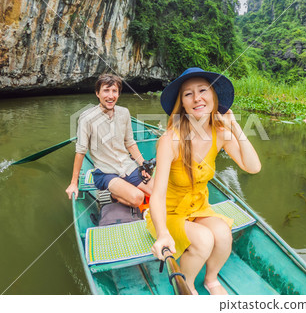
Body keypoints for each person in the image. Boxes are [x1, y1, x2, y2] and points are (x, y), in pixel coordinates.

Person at [147, 67, 261, 295]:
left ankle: (211, 279)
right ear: (183, 103)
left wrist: (235, 126)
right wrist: (162, 234)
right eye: (188, 94)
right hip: (169, 213)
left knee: (223, 235)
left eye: (203, 90)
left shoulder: (220, 133)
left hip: (199, 208)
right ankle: (187, 284)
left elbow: (253, 167)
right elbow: (156, 195)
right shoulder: (171, 140)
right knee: (205, 239)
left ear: (214, 97)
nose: (197, 98)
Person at [65, 74, 153, 208]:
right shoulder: (86, 118)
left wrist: (143, 165)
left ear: (118, 94)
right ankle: (114, 195)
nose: (110, 96)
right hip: (105, 172)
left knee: (158, 192)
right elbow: (81, 151)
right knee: (138, 198)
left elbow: (130, 143)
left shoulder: (124, 113)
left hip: (127, 166)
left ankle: (124, 188)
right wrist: (73, 183)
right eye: (106, 90)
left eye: (114, 91)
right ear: (97, 93)